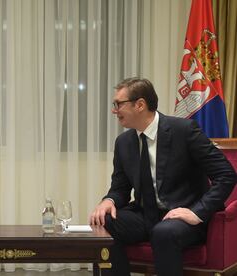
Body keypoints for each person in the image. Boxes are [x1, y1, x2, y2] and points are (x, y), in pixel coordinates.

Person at [89, 78, 237, 276]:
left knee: (163, 232)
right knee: (103, 222)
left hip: (184, 216)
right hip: (146, 214)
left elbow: (226, 174)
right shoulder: (123, 142)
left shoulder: (184, 131)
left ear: (140, 104)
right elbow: (120, 188)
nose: (114, 110)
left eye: (118, 104)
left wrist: (196, 212)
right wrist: (108, 200)